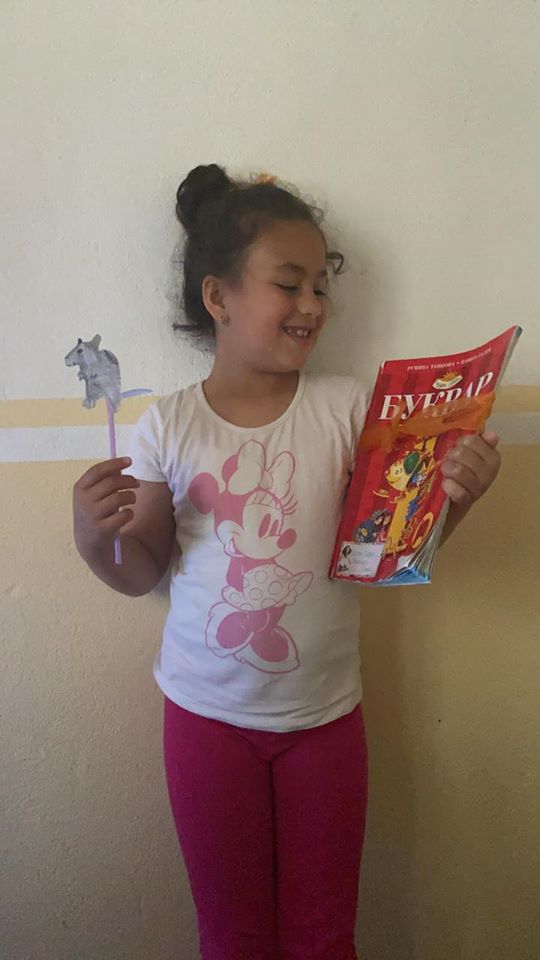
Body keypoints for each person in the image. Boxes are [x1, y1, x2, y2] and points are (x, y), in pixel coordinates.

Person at [72, 165, 501, 960]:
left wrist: (456, 499)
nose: (312, 305)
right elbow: (142, 571)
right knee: (232, 938)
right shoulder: (169, 425)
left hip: (325, 721)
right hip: (204, 721)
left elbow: (384, 549)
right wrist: (95, 538)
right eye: (289, 284)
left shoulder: (348, 409)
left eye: (320, 287)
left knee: (322, 936)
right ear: (219, 297)